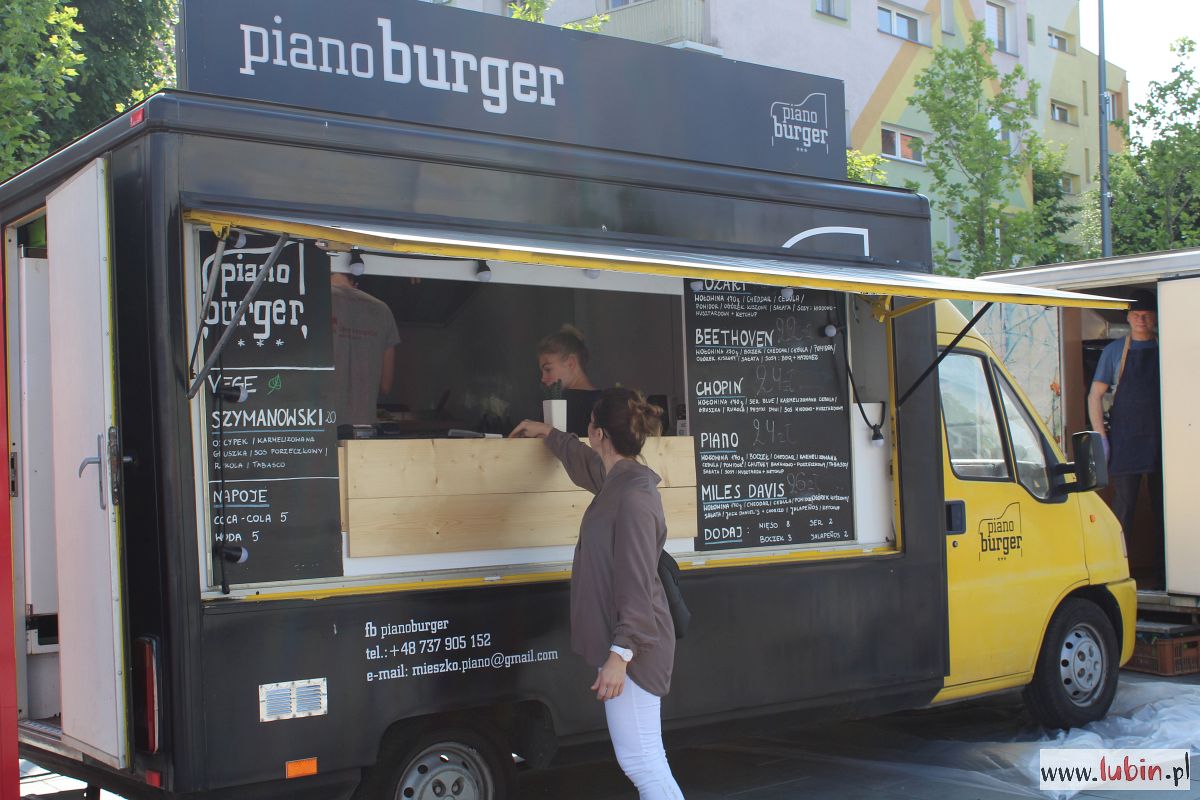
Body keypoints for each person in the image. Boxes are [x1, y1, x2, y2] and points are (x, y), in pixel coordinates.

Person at [510, 389, 684, 799]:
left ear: (600, 433)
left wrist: (620, 656)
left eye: (588, 423)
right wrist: (550, 434)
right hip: (632, 645)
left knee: (643, 763)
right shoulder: (619, 479)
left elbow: (637, 583)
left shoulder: (633, 496)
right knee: (644, 761)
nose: (586, 431)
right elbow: (586, 463)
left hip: (636, 651)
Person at [1087, 289, 1162, 583]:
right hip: (1126, 440)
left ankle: (1166, 574)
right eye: (1136, 315)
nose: (1142, 320)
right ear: (1128, 318)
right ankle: (1118, 573)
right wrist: (1101, 437)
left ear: (1155, 317)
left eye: (1147, 315)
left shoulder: (1165, 346)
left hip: (1163, 441)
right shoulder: (1115, 352)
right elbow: (1095, 395)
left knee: (1165, 509)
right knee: (1124, 507)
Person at [329, 251, 400, 427]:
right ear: (355, 281)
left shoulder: (313, 302)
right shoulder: (382, 310)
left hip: (319, 426)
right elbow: (386, 385)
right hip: (363, 427)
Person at [537, 325, 601, 436]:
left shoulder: (558, 405)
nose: (543, 378)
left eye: (548, 369)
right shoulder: (603, 402)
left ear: (571, 363)